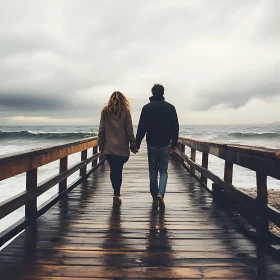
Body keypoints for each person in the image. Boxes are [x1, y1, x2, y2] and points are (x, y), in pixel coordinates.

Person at [136, 84, 179, 209]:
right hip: (165, 143)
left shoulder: (146, 108)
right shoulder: (171, 108)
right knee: (164, 171)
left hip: (152, 144)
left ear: (152, 93)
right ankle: (161, 193)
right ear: (163, 92)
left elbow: (141, 127)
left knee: (153, 171)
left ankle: (155, 197)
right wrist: (174, 143)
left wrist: (137, 143)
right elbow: (175, 127)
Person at [98, 91, 136, 206]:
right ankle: (117, 193)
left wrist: (100, 145)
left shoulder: (105, 111)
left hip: (109, 147)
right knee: (118, 170)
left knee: (113, 170)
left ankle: (116, 193)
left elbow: (101, 130)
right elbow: (129, 130)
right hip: (122, 147)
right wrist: (133, 145)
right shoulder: (125, 111)